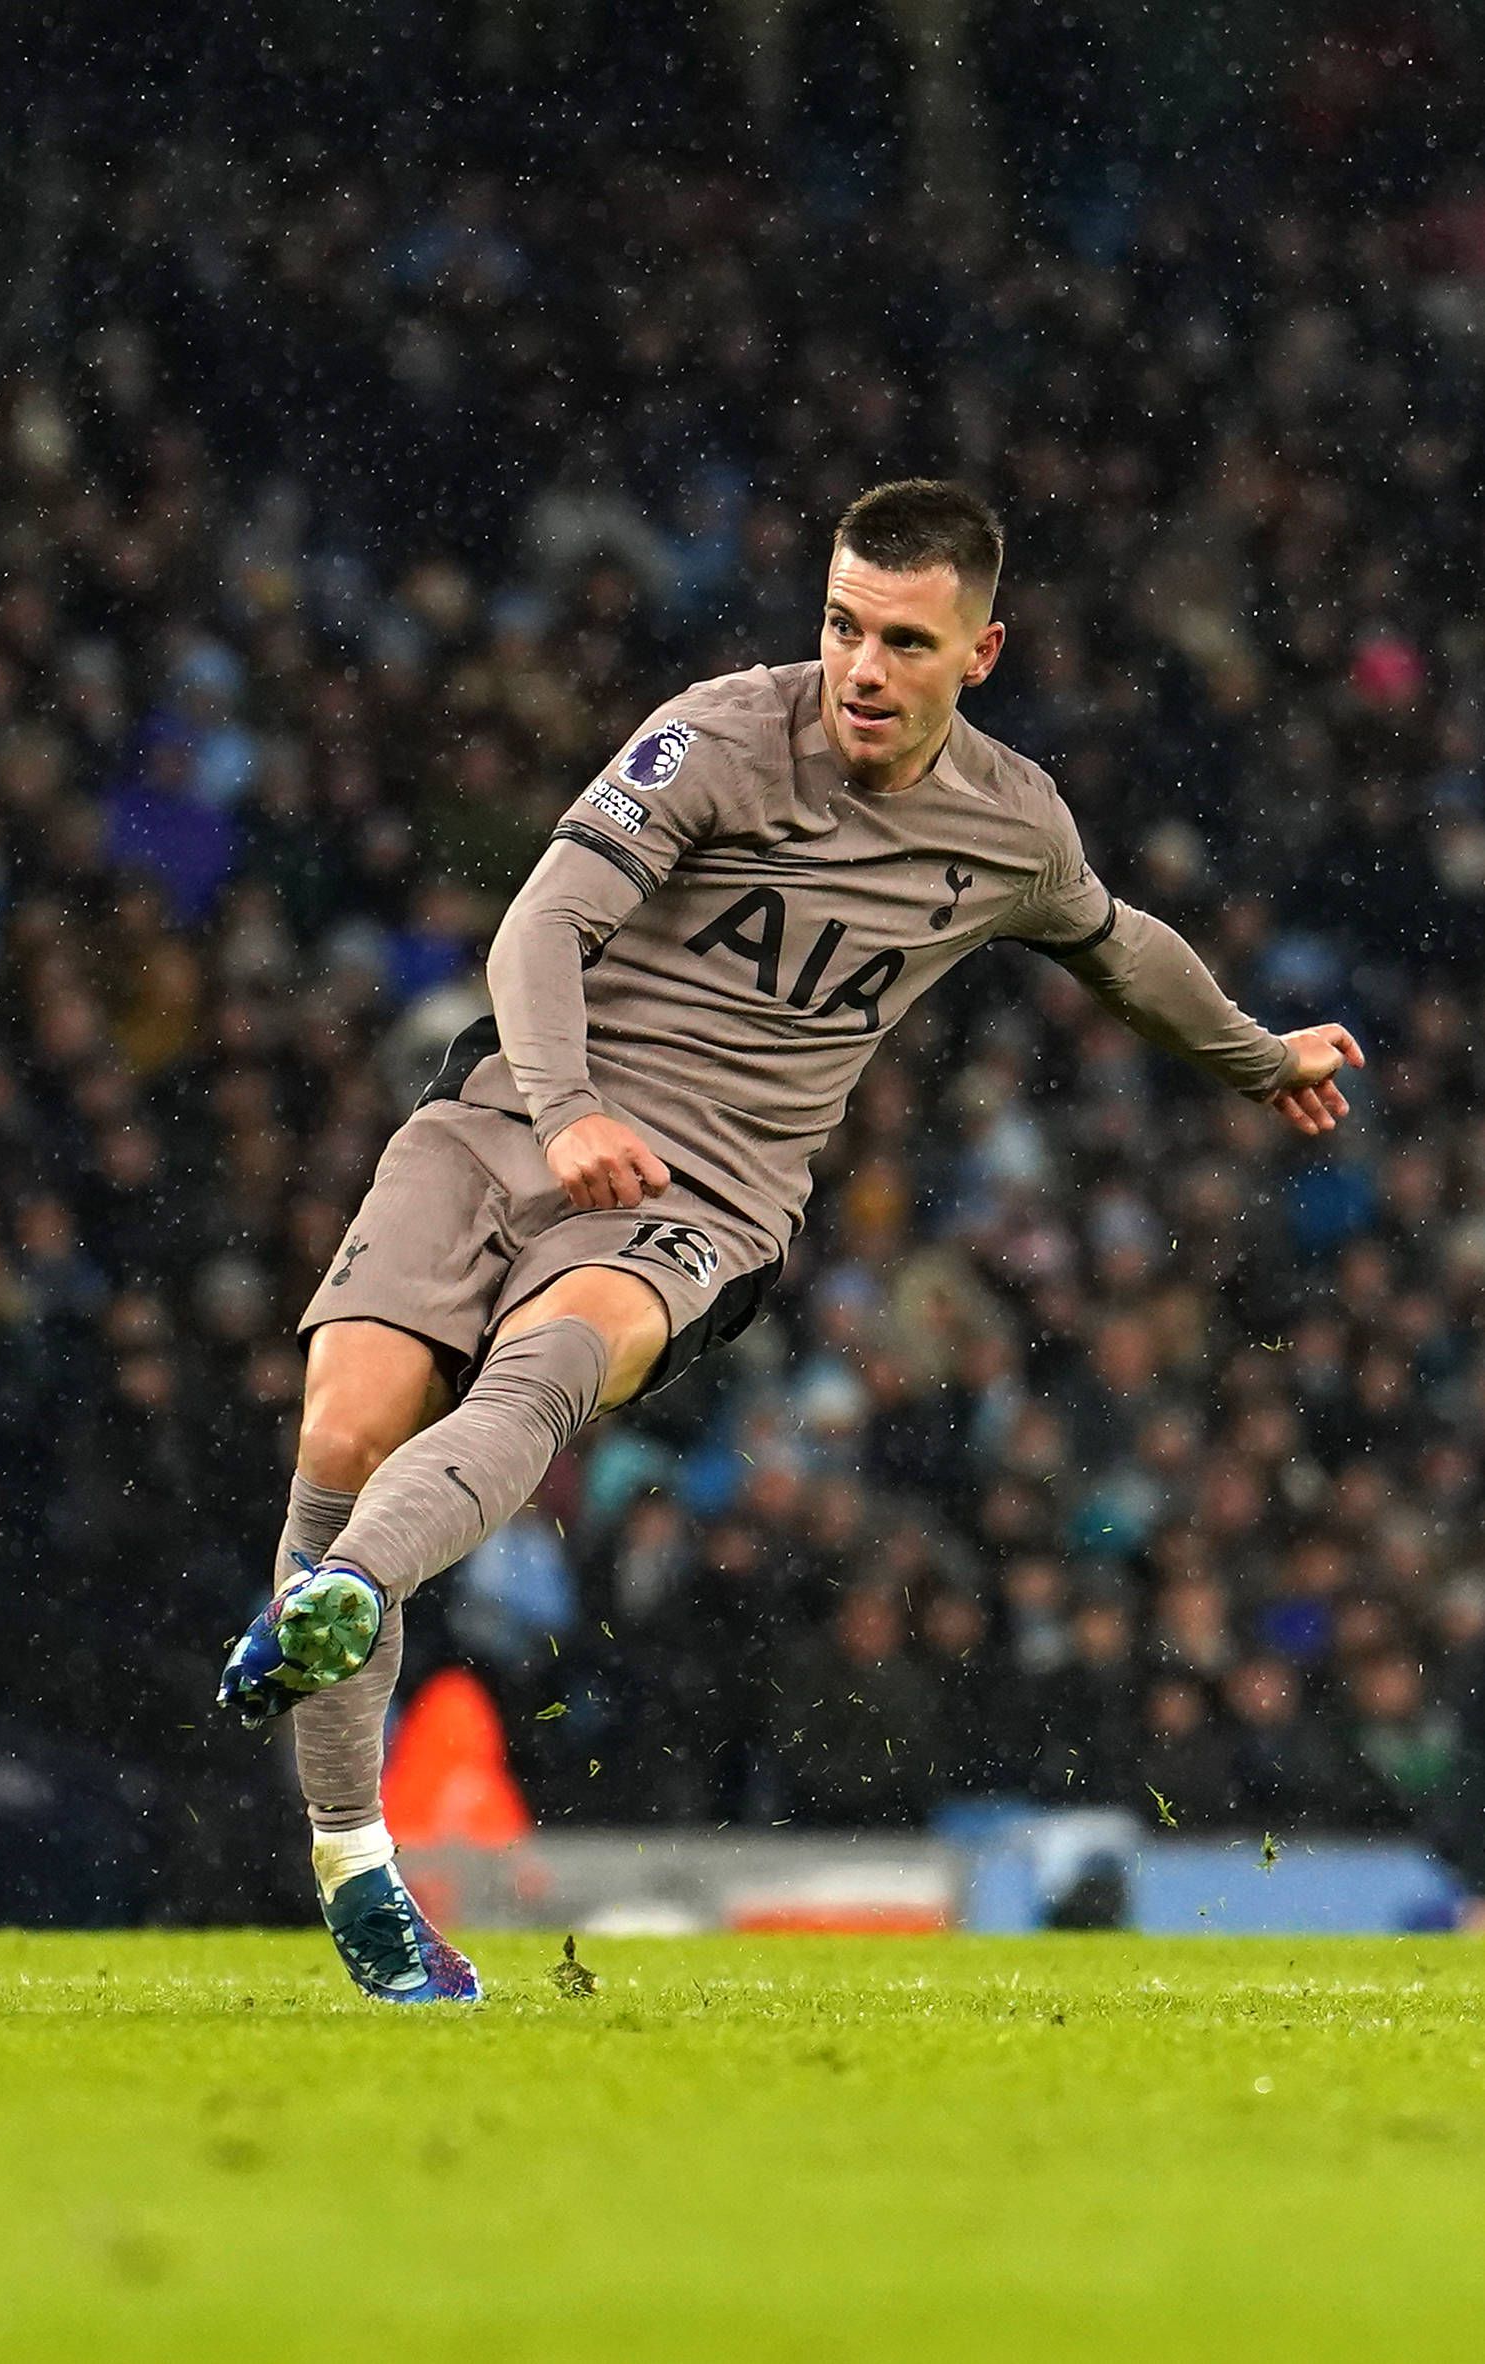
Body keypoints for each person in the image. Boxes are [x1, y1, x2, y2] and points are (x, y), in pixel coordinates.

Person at [219, 481, 1367, 2002]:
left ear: (980, 653)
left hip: (709, 1194)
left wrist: (1251, 1055)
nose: (861, 668)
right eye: (840, 626)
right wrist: (562, 1111)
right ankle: (350, 1831)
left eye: (903, 639)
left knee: (545, 1373)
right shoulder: (712, 736)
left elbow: (1114, 943)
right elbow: (536, 930)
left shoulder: (1009, 825)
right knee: (347, 1423)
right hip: (511, 1109)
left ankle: (342, 1630)